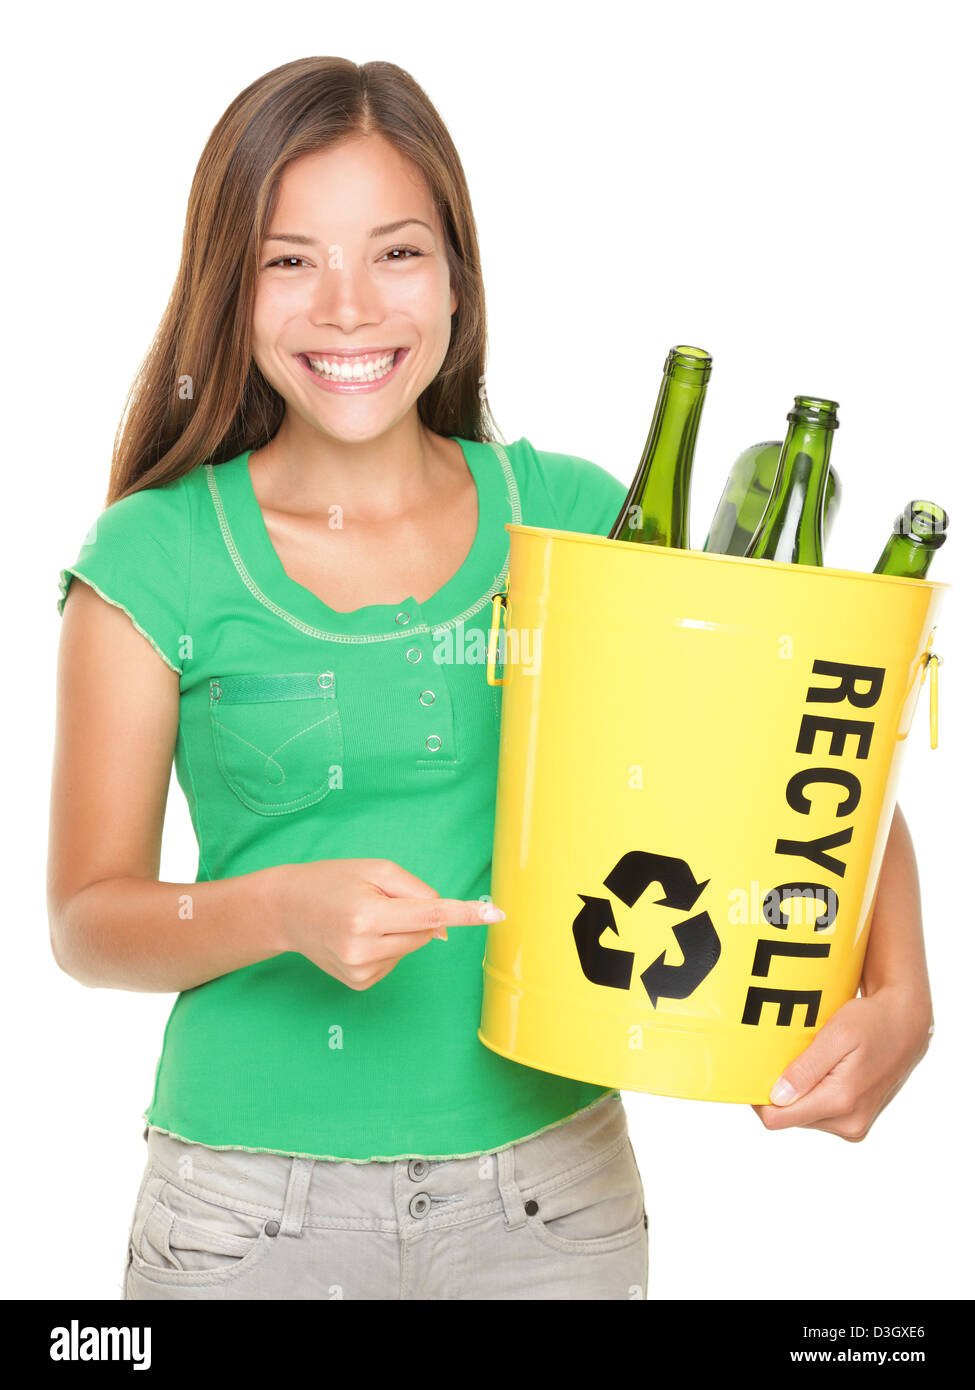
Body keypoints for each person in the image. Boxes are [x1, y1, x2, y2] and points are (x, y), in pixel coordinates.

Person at [48, 57, 935, 1302]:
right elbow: (87, 919)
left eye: (396, 253)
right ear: (228, 292)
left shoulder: (571, 526)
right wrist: (279, 910)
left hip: (552, 1202)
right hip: (246, 1217)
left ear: (457, 278)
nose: (349, 306)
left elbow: (790, 741)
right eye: (289, 259)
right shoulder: (152, 557)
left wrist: (901, 987)